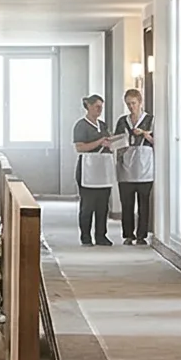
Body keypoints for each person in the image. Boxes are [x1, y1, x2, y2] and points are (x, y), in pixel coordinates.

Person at [70, 94, 117, 245]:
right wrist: (99, 142)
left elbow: (107, 142)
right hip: (87, 168)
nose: (99, 109)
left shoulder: (103, 125)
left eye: (101, 107)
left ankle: (101, 235)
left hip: (103, 168)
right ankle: (85, 236)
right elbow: (80, 147)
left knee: (102, 205)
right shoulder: (81, 125)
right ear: (88, 106)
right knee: (87, 205)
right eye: (97, 106)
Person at [111, 88, 156, 246]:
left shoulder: (151, 120)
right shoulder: (122, 121)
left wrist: (144, 133)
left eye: (134, 103)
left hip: (145, 165)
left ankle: (141, 235)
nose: (131, 107)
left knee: (144, 203)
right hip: (126, 165)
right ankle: (128, 234)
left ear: (140, 102)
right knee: (127, 202)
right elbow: (116, 142)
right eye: (128, 104)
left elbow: (157, 141)